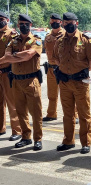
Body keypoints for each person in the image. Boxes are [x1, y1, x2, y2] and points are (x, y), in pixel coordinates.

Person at [53, 12, 91, 153]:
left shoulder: (86, 40)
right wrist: (63, 70)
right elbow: (55, 58)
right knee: (67, 114)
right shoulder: (59, 40)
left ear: (76, 23)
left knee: (84, 114)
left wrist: (81, 73)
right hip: (65, 82)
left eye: (71, 22)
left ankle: (86, 143)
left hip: (80, 83)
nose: (68, 25)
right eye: (66, 23)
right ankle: (68, 141)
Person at [0, 14, 43, 150]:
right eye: (21, 24)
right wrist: (17, 57)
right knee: (21, 112)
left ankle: (38, 139)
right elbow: (7, 57)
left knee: (35, 113)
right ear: (18, 25)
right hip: (17, 81)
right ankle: (26, 137)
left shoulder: (36, 40)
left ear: (30, 25)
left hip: (31, 81)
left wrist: (13, 57)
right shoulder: (13, 41)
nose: (23, 26)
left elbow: (28, 55)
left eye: (26, 24)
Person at [42, 13, 79, 124]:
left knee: (69, 94)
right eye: (52, 21)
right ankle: (51, 114)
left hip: (63, 69)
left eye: (56, 21)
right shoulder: (47, 37)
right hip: (51, 69)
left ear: (60, 22)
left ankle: (75, 115)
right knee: (51, 94)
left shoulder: (65, 35)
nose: (53, 23)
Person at [0, 11, 21, 141]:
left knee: (12, 103)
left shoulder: (12, 35)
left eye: (1, 19)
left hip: (7, 72)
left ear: (7, 20)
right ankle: (1, 128)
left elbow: (13, 55)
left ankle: (17, 130)